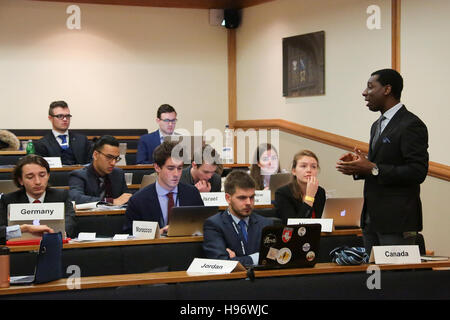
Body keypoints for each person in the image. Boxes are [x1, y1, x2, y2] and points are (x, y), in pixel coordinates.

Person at [336, 69, 428, 254]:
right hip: (372, 220)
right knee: (374, 280)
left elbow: (417, 171)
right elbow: (381, 164)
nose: (364, 92)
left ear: (387, 89)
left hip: (397, 222)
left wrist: (373, 168)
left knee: (396, 281)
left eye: (370, 87)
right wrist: (359, 165)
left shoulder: (410, 124)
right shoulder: (377, 125)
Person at [124, 140, 204, 234]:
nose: (176, 174)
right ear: (157, 167)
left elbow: (202, 227)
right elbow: (130, 235)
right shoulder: (138, 200)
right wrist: (157, 233)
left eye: (179, 168)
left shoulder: (192, 193)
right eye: (170, 168)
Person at [203, 170, 272, 266]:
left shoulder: (266, 224)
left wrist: (237, 259)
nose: (248, 202)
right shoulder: (214, 225)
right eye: (242, 198)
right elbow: (221, 263)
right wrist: (256, 258)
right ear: (228, 198)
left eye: (252, 197)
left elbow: (273, 258)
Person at [0, 155, 77, 240]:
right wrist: (23, 229)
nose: (37, 182)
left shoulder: (61, 196)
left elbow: (69, 221)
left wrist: (61, 232)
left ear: (48, 176)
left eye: (42, 175)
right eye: (30, 177)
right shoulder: (7, 200)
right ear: (20, 180)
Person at [69, 135, 131, 205]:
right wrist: (110, 201)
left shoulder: (118, 174)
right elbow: (76, 198)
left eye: (116, 158)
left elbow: (126, 198)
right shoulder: (79, 175)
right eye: (109, 157)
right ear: (95, 155)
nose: (113, 163)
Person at [275, 150, 326, 225]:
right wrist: (310, 197)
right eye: (303, 166)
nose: (309, 170)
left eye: (313, 167)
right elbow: (295, 227)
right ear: (294, 171)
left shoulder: (320, 192)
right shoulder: (283, 193)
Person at [34, 100, 92, 165]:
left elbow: (90, 164)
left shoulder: (82, 140)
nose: (65, 119)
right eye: (60, 116)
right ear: (50, 118)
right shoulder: (41, 144)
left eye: (67, 116)